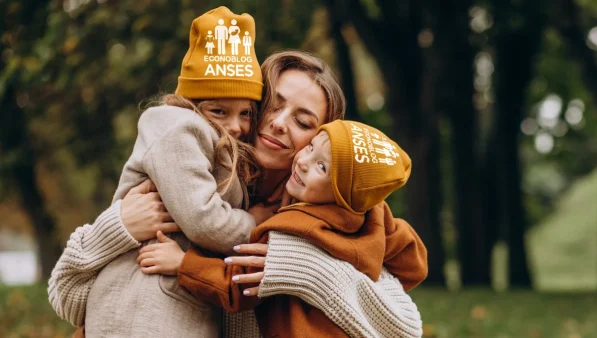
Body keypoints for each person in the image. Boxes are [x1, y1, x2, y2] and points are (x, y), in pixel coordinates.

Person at [49, 23, 424, 338]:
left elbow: (404, 326)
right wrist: (119, 227)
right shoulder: (190, 179)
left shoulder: (338, 204)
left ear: (324, 139)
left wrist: (300, 267)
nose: (279, 122)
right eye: (273, 105)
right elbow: (69, 299)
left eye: (303, 121)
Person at [50, 6, 265, 337]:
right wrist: (257, 223)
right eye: (219, 110)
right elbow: (205, 220)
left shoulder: (221, 144)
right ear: (192, 104)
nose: (236, 126)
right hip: (143, 310)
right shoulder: (177, 127)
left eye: (246, 113)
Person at [142, 121, 427, 337]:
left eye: (322, 167)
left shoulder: (289, 230)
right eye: (312, 147)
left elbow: (237, 288)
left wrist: (182, 263)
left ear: (343, 194)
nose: (303, 162)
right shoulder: (374, 219)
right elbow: (414, 266)